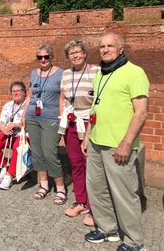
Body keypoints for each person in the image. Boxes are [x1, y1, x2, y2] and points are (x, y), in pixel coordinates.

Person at [83, 33, 148, 251]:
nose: (105, 49)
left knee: (124, 194)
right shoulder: (101, 73)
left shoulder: (135, 73)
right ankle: (107, 229)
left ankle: (133, 241)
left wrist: (127, 143)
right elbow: (96, 107)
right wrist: (87, 135)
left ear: (121, 48)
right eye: (102, 46)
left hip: (119, 145)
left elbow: (141, 113)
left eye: (110, 45)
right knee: (97, 189)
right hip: (96, 142)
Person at [59, 40, 99, 227]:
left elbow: (99, 101)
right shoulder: (66, 74)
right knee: (76, 164)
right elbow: (63, 98)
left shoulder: (96, 71)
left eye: (77, 52)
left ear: (84, 54)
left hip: (89, 124)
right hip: (71, 124)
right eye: (71, 53)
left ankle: (93, 207)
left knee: (90, 164)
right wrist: (62, 116)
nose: (74, 55)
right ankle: (81, 201)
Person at [25, 44, 66, 204]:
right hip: (32, 117)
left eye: (46, 57)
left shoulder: (61, 74)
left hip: (51, 119)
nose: (43, 60)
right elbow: (30, 96)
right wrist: (23, 115)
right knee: (37, 153)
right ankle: (43, 185)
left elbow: (63, 98)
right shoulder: (33, 74)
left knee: (50, 153)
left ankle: (60, 188)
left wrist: (62, 120)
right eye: (39, 57)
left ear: (51, 57)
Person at [0, 81, 28, 190]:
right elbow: (0, 122)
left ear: (24, 92)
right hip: (8, 133)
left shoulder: (28, 105)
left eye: (18, 91)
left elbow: (29, 123)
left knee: (17, 148)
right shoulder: (8, 105)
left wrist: (15, 124)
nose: (16, 93)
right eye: (13, 91)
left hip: (22, 134)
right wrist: (4, 129)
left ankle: (9, 176)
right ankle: (4, 166)